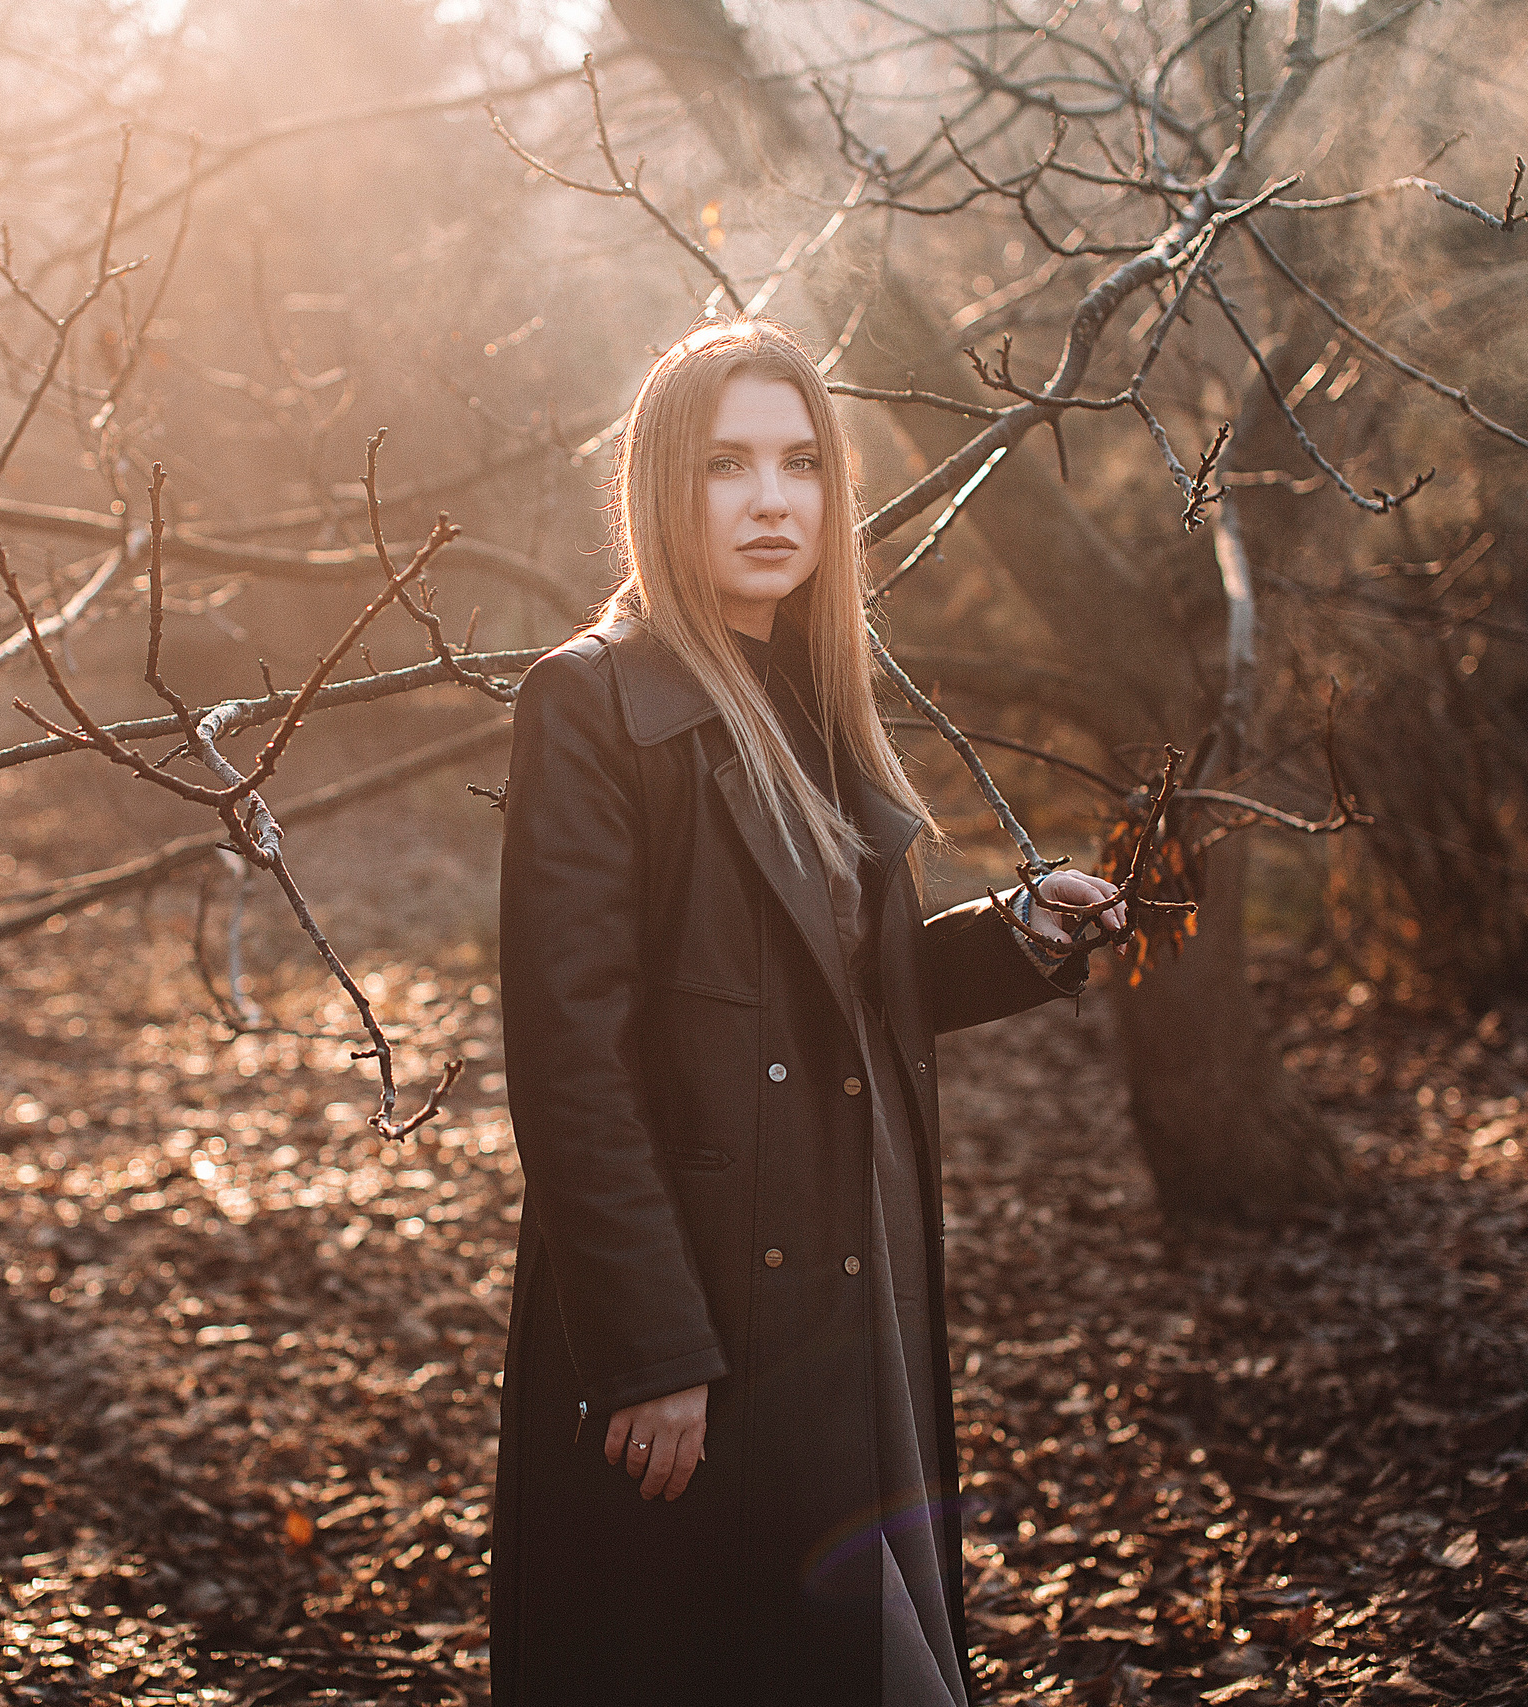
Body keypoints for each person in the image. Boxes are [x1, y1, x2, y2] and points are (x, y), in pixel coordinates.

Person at [488, 318, 1127, 1707]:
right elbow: (568, 1062)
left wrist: (1018, 939)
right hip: (705, 1311)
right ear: (664, 487)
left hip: (848, 1292)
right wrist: (656, 1351)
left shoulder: (816, 696)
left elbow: (831, 995)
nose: (772, 500)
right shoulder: (592, 702)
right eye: (726, 465)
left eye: (800, 464)